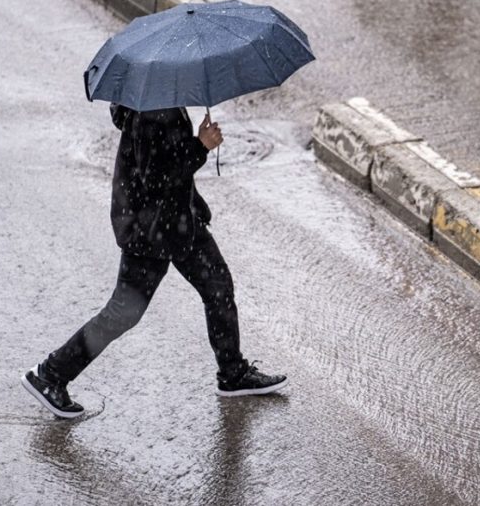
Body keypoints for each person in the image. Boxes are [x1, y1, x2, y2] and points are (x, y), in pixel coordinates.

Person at [23, 104, 287, 418]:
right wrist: (200, 145)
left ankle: (232, 373)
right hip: (149, 229)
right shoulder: (149, 111)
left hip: (179, 221)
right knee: (124, 312)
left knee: (218, 286)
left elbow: (168, 163)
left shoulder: (164, 101)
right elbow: (157, 178)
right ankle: (50, 374)